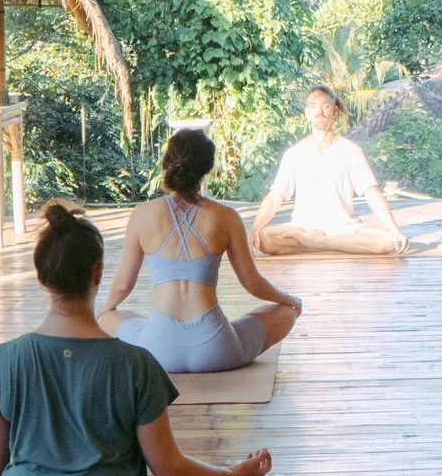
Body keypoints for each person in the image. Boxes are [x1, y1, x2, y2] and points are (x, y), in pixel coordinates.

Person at [0, 203, 272, 476]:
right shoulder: (136, 364)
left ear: (40, 274)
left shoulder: (3, 359)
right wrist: (232, 472)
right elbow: (169, 469)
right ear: (97, 271)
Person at [100, 127, 304, 373]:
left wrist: (102, 310)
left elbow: (123, 284)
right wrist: (289, 300)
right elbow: (252, 282)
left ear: (167, 163)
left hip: (158, 350)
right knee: (285, 312)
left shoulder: (142, 214)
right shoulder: (226, 216)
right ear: (207, 168)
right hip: (217, 350)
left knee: (111, 316)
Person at [250, 86, 409, 255]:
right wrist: (254, 228)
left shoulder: (350, 151)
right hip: (303, 227)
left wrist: (395, 229)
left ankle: (316, 243)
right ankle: (331, 244)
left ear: (334, 112)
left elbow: (371, 192)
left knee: (387, 241)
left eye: (325, 106)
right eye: (313, 106)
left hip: (343, 228)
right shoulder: (294, 153)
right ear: (307, 113)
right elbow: (276, 196)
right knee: (264, 238)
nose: (319, 111)